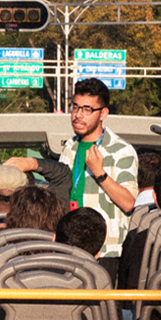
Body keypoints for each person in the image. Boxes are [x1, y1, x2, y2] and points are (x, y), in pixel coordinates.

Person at [57, 79, 141, 256]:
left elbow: (128, 203)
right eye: (75, 107)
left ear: (103, 114)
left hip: (106, 251)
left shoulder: (121, 150)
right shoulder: (69, 147)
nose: (78, 115)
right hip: (68, 246)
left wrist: (100, 173)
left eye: (87, 110)